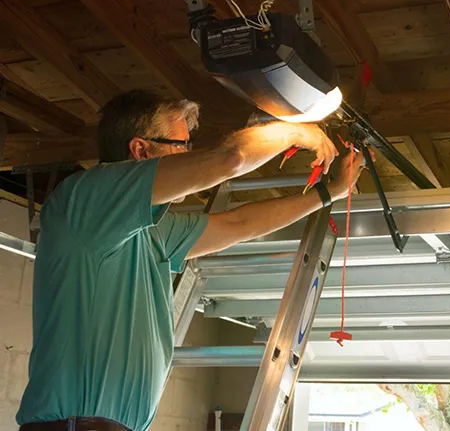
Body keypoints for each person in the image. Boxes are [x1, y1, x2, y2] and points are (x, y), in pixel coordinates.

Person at [16, 90, 365, 431]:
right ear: (140, 149)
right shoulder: (86, 201)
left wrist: (328, 192)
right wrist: (296, 130)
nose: (189, 155)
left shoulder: (153, 229)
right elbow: (230, 159)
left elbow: (238, 223)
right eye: (181, 145)